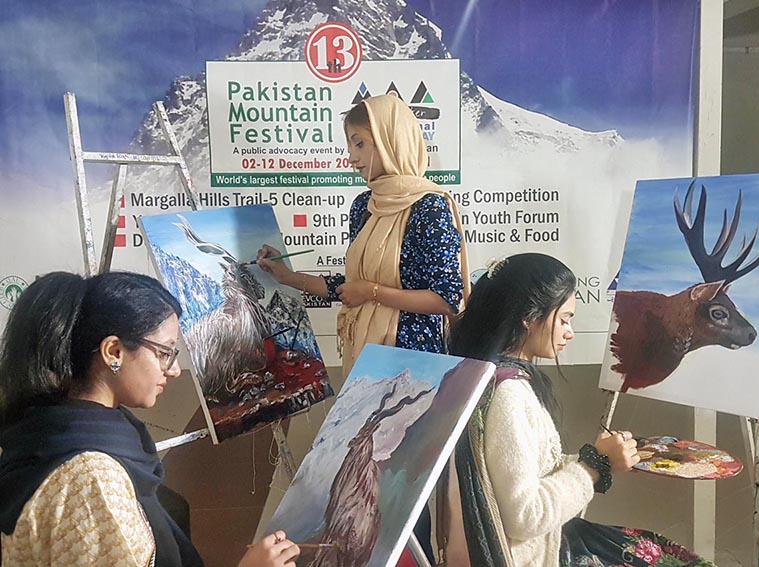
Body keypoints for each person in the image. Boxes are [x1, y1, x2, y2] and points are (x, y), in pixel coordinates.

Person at [0, 271, 300, 567]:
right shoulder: (91, 477)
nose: (173, 370)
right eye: (164, 353)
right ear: (113, 351)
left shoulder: (58, 431)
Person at [446, 253, 716, 567]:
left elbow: (521, 477)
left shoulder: (474, 377)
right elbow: (525, 516)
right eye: (563, 319)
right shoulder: (509, 395)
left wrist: (602, 460)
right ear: (529, 317)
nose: (569, 332)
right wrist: (592, 467)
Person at [256, 94, 470, 378]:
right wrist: (287, 277)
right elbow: (352, 287)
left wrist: (372, 293)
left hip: (412, 362)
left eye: (360, 144)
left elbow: (446, 299)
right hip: (365, 355)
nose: (352, 157)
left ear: (391, 142)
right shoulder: (363, 206)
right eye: (349, 145)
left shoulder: (428, 206)